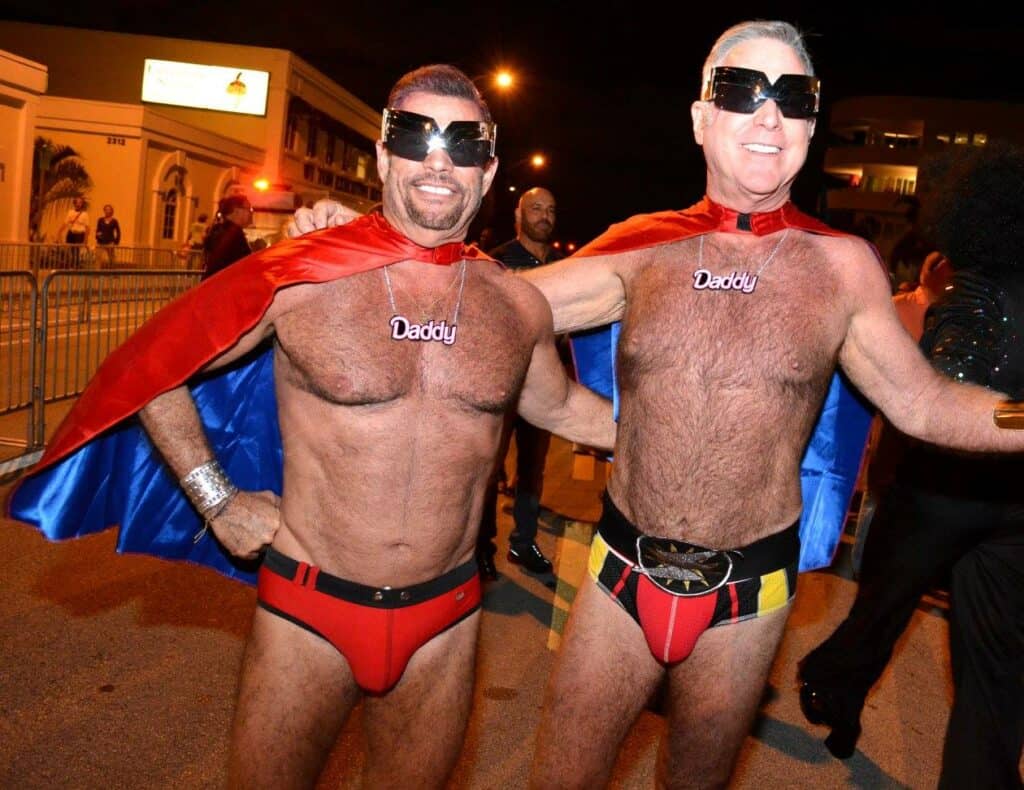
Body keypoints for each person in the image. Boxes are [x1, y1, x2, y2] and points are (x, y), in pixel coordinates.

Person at [288, 22, 1024, 787]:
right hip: (617, 579)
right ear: (703, 120)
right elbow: (481, 301)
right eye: (743, 92)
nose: (768, 116)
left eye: (792, 98)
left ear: (810, 123)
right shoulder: (645, 247)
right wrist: (369, 241)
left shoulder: (842, 269)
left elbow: (927, 404)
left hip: (748, 596)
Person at [6, 64, 615, 788]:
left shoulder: (517, 308)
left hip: (445, 625)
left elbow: (565, 409)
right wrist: (219, 500)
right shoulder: (300, 277)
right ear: (386, 156)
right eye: (416, 134)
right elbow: (151, 368)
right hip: (307, 615)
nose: (439, 157)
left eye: (464, 142)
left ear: (487, 173)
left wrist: (729, 429)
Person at [798, 142, 1024, 788]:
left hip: (946, 498)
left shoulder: (973, 288)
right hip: (971, 501)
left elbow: (939, 386)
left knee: (890, 613)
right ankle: (836, 688)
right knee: (989, 671)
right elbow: (946, 387)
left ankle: (831, 685)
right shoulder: (983, 289)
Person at [477, 186, 565, 579]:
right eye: (536, 209)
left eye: (550, 209)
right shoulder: (497, 262)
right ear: (519, 216)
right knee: (489, 467)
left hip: (545, 387)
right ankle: (482, 549)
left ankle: (523, 544)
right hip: (503, 385)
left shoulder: (567, 265)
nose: (544, 216)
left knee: (532, 470)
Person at [202, 195, 254, 280]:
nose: (251, 213)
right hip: (222, 287)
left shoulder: (220, 230)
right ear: (236, 211)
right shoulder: (233, 235)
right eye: (249, 209)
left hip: (213, 285)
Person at [59, 195, 89, 268]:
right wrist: (59, 232)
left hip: (79, 234)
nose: (78, 204)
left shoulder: (85, 214)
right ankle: (70, 265)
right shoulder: (70, 212)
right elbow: (65, 222)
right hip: (71, 233)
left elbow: (87, 227)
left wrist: (85, 239)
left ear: (82, 204)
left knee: (76, 250)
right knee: (70, 249)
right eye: (77, 202)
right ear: (74, 203)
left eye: (80, 202)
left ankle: (76, 265)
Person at [94, 203, 121, 268]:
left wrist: (116, 242)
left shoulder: (114, 221)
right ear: (104, 211)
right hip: (100, 242)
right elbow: (98, 230)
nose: (107, 211)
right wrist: (97, 236)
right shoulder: (100, 220)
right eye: (106, 210)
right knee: (98, 258)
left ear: (111, 211)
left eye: (109, 210)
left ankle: (112, 273)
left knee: (112, 259)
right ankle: (96, 273)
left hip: (110, 242)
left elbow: (118, 232)